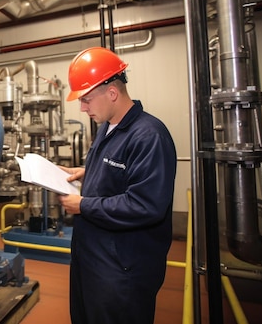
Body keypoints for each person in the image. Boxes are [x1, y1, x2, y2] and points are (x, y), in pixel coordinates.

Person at [58, 47, 177, 324]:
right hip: (94, 259)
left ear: (112, 93)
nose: (82, 108)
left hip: (123, 270)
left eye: (86, 100)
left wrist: (83, 205)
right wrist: (87, 173)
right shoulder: (109, 126)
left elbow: (145, 205)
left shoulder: (149, 136)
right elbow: (120, 172)